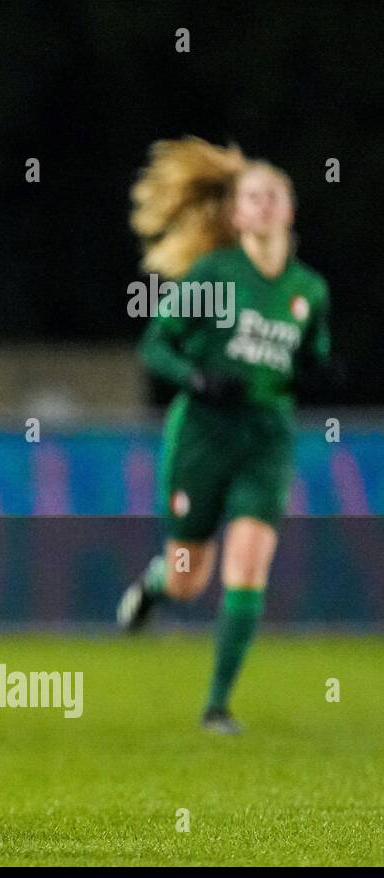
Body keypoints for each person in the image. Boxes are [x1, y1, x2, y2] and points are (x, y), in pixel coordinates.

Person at [116, 137, 332, 734]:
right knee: (190, 579)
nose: (262, 206)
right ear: (236, 214)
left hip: (266, 440)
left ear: (288, 210)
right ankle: (157, 583)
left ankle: (217, 705)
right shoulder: (214, 274)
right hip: (204, 437)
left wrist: (319, 365)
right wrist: (199, 379)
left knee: (247, 568)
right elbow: (154, 345)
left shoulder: (310, 290)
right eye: (252, 197)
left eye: (273, 197)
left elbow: (312, 353)